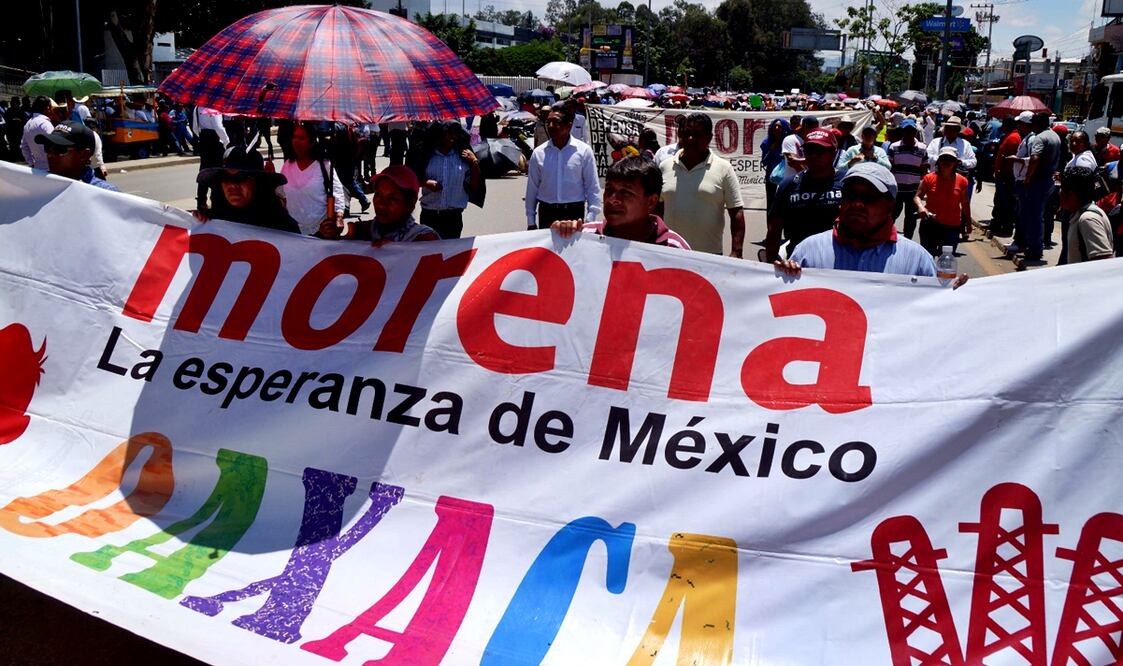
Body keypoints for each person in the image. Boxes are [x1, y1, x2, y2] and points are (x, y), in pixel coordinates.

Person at [774, 162, 961, 281]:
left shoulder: (917, 261)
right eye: (850, 195)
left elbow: (938, 315)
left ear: (889, 206)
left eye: (868, 198)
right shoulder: (808, 251)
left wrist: (955, 294)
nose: (857, 204)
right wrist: (784, 277)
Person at [551, 156, 689, 249]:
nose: (613, 199)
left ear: (651, 202)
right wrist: (558, 237)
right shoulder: (583, 236)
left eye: (626, 192)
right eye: (609, 189)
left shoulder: (674, 248)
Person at [659, 112, 745, 256]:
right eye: (686, 133)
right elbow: (656, 209)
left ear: (709, 138)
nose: (690, 138)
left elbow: (736, 211)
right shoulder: (665, 167)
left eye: (697, 134)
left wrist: (737, 251)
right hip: (669, 255)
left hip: (709, 259)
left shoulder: (724, 168)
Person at [765, 128, 842, 261]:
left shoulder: (847, 182)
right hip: (798, 262)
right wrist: (770, 263)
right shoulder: (788, 185)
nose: (813, 156)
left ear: (833, 154)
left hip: (839, 261)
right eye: (809, 151)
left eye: (819, 152)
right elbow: (774, 229)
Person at [525, 101, 602, 231]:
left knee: (573, 251)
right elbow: (532, 189)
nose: (551, 126)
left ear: (568, 125)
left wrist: (590, 219)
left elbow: (592, 187)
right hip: (547, 213)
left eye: (556, 122)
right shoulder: (539, 153)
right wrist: (531, 221)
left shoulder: (583, 151)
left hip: (574, 213)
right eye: (548, 122)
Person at [193, 145, 301, 234]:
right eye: (226, 178)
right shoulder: (210, 222)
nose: (233, 185)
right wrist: (197, 222)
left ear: (259, 183)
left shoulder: (284, 228)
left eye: (241, 178)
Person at [319, 165, 439, 244]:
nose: (381, 205)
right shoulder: (363, 231)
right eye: (378, 195)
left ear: (410, 204)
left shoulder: (424, 239)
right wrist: (331, 236)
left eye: (392, 199)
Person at [411, 120, 482, 240]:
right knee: (430, 256)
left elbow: (474, 185)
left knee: (451, 257)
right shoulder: (426, 156)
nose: (452, 137)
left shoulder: (463, 156)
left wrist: (474, 162)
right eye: (448, 133)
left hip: (453, 218)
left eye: (455, 133)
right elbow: (412, 179)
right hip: (430, 216)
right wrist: (425, 183)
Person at [280, 123, 346, 236]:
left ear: (312, 142)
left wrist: (339, 218)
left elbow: (338, 194)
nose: (296, 141)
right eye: (294, 137)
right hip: (293, 232)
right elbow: (280, 193)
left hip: (320, 232)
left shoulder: (324, 165)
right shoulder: (287, 165)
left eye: (301, 138)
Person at [1012, 112, 1061, 260]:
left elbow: (1034, 158)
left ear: (1036, 124)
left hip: (1038, 181)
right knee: (1040, 216)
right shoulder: (1055, 136)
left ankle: (1034, 249)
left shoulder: (1040, 137)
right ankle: (1035, 245)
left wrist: (1027, 178)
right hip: (1049, 181)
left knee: (1034, 216)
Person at [915, 147, 971, 255]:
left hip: (952, 227)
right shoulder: (929, 178)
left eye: (950, 159)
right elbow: (917, 196)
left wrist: (968, 223)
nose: (947, 162)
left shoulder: (962, 181)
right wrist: (921, 207)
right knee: (927, 257)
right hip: (930, 225)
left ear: (956, 163)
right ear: (938, 161)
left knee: (946, 261)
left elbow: (965, 203)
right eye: (944, 158)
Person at [34, 120, 119, 191]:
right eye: (47, 147)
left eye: (59, 149)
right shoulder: (40, 188)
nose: (50, 155)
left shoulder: (105, 194)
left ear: (84, 155)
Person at [1058, 165, 1115, 263]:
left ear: (1072, 195)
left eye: (1062, 189)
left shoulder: (1088, 219)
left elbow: (1103, 262)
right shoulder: (1079, 214)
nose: (1059, 193)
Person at [887, 118, 928, 241]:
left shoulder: (922, 148)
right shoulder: (894, 147)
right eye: (906, 131)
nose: (909, 134)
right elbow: (889, 168)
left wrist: (923, 190)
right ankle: (888, 237)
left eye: (911, 131)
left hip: (913, 191)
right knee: (892, 216)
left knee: (911, 218)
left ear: (915, 132)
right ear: (902, 132)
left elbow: (924, 169)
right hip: (897, 190)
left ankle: (908, 241)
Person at [989, 114, 1026, 237]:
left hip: (1007, 176)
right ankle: (999, 224)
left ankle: (1005, 226)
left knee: (1006, 203)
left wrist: (1000, 171)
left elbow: (1007, 159)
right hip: (1003, 175)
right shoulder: (1010, 136)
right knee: (1001, 201)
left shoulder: (1013, 138)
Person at [193, 105, 230, 210]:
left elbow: (195, 128)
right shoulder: (214, 108)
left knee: (204, 171)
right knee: (217, 172)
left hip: (204, 139)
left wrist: (203, 137)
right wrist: (226, 141)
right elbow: (218, 127)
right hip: (214, 140)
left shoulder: (197, 108)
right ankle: (217, 201)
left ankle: (201, 202)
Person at [760, 118, 792, 212]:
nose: (777, 128)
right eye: (775, 126)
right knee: (771, 204)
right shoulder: (767, 142)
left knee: (786, 203)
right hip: (772, 177)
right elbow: (764, 162)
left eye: (779, 126)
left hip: (787, 177)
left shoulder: (788, 142)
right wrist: (771, 150)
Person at [780, 115, 819, 180]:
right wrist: (809, 176)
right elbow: (792, 162)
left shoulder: (813, 141)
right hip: (793, 182)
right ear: (805, 126)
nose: (815, 131)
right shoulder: (791, 139)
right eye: (814, 128)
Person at [20, 96, 54, 170]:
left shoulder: (28, 124)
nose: (52, 110)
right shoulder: (45, 124)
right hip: (50, 167)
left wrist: (31, 163)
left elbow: (24, 147)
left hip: (37, 168)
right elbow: (54, 144)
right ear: (48, 108)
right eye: (51, 107)